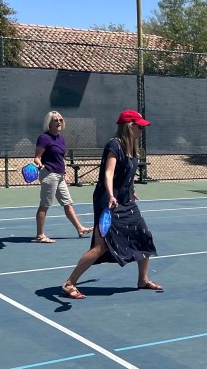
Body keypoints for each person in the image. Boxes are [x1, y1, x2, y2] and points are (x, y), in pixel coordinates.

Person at [60, 110, 162, 299]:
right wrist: (110, 194)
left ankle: (143, 280)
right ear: (129, 126)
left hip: (126, 200)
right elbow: (108, 173)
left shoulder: (132, 148)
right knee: (101, 246)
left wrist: (131, 190)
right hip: (108, 202)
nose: (142, 130)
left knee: (144, 236)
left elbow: (128, 174)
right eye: (139, 127)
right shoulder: (114, 145)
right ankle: (69, 283)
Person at [33, 111, 92, 243]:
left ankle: (80, 229)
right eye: (55, 120)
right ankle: (40, 235)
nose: (59, 122)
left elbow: (61, 158)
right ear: (49, 123)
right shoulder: (44, 138)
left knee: (68, 204)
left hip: (59, 176)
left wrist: (65, 173)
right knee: (45, 205)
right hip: (49, 175)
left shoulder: (61, 138)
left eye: (60, 120)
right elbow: (37, 157)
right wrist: (40, 165)